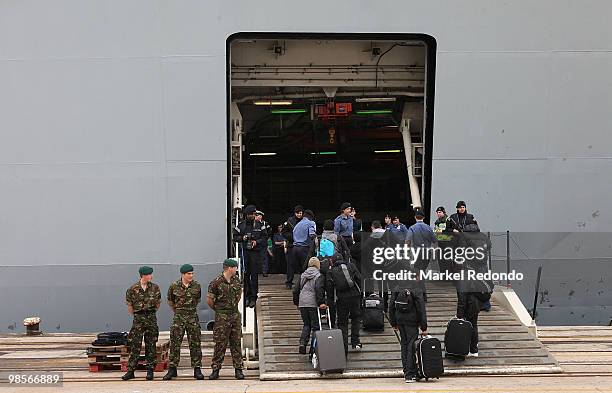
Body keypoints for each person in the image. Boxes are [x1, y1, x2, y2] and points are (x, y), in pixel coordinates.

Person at [163, 264, 203, 380]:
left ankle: (197, 369)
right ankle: (172, 369)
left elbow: (197, 300)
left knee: (195, 343)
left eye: (192, 273)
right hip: (179, 317)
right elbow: (171, 301)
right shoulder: (174, 286)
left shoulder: (196, 286)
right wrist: (179, 311)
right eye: (189, 274)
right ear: (183, 274)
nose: (191, 276)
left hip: (192, 317)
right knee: (175, 344)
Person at [207, 259, 245, 380]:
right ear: (229, 268)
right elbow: (210, 301)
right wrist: (220, 311)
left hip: (234, 316)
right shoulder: (216, 283)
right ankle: (215, 369)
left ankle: (238, 370)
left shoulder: (236, 281)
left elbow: (238, 296)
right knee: (220, 344)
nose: (236, 270)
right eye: (235, 267)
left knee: (236, 343)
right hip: (222, 317)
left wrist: (231, 308)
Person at [122, 266, 161, 381]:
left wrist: (149, 313)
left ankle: (150, 370)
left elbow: (158, 304)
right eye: (149, 274)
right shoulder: (132, 289)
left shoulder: (155, 288)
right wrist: (139, 315)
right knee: (135, 345)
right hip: (138, 319)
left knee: (151, 344)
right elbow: (130, 307)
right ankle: (131, 370)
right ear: (143, 275)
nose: (151, 276)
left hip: (151, 318)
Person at [388, 286, 428, 383]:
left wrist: (393, 322)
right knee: (411, 346)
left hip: (400, 320)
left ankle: (406, 371)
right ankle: (410, 374)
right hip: (411, 321)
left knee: (404, 345)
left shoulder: (397, 287)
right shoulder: (416, 289)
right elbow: (421, 308)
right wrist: (423, 326)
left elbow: (391, 306)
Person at [328, 254, 362, 355]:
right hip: (355, 295)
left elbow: (330, 288)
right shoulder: (351, 266)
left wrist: (330, 302)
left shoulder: (331, 271)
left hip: (341, 299)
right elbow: (359, 278)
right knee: (356, 318)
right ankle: (355, 342)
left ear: (332, 262)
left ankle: (344, 348)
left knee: (343, 323)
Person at [234, 205, 266, 307]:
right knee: (246, 275)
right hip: (245, 252)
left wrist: (256, 242)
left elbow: (265, 237)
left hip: (256, 253)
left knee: (254, 275)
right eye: (251, 214)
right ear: (247, 215)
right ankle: (247, 297)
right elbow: (234, 237)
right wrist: (242, 238)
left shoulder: (260, 225)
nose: (252, 215)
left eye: (253, 214)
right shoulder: (241, 225)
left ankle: (253, 297)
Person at [292, 257, 327, 355]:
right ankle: (313, 348)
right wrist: (321, 303)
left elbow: (295, 290)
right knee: (315, 327)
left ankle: (302, 343)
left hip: (302, 302)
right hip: (312, 303)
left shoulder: (303, 275)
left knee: (306, 324)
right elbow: (319, 289)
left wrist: (296, 302)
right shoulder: (319, 275)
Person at [282, 205, 304, 289]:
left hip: (302, 246)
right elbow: (284, 232)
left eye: (300, 213)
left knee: (302, 265)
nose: (299, 215)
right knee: (290, 264)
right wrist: (293, 237)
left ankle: (302, 282)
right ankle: (289, 282)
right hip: (291, 245)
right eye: (297, 213)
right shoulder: (290, 221)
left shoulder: (304, 221)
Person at [433, 206, 456, 276]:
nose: (438, 214)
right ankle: (444, 276)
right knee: (441, 260)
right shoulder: (437, 222)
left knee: (448, 260)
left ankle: (450, 276)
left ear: (444, 213)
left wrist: (442, 231)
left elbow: (453, 230)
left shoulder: (449, 220)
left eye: (440, 212)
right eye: (437, 212)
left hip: (448, 243)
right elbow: (436, 231)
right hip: (440, 243)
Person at [292, 209, 316, 274]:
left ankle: (300, 283)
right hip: (304, 248)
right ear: (311, 217)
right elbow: (311, 234)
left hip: (295, 249)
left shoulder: (297, 225)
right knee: (307, 269)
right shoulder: (311, 223)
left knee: (300, 270)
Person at [255, 210, 271, 277]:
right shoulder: (253, 223)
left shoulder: (265, 224)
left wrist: (265, 239)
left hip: (263, 244)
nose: (256, 217)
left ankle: (264, 271)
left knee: (264, 258)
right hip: (255, 243)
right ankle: (256, 271)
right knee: (255, 258)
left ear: (261, 216)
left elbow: (269, 231)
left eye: (257, 215)